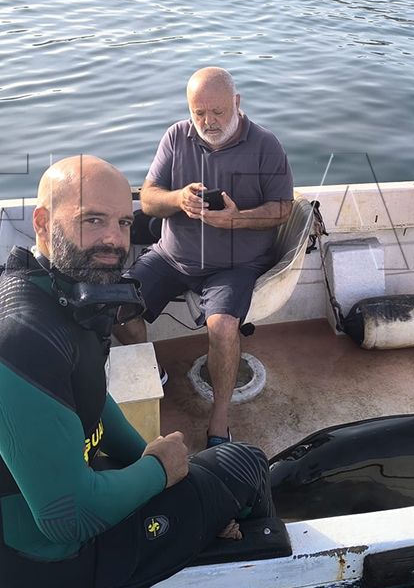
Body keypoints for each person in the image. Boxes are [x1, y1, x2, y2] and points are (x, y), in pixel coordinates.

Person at [0, 155, 274, 588]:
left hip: (15, 525)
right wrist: (160, 470)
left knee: (182, 472)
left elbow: (90, 398)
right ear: (42, 223)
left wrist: (150, 457)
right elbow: (69, 519)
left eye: (123, 222)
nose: (114, 241)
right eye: (93, 220)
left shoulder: (52, 295)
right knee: (243, 463)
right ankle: (256, 565)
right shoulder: (22, 344)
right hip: (57, 574)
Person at [118, 67, 293, 448]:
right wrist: (177, 198)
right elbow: (148, 198)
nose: (208, 122)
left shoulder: (266, 145)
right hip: (171, 255)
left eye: (217, 112)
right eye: (199, 113)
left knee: (223, 328)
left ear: (237, 102)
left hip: (234, 266)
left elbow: (283, 209)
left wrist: (237, 220)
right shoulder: (175, 137)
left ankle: (219, 421)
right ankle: (155, 371)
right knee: (120, 306)